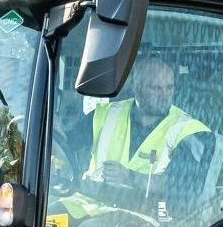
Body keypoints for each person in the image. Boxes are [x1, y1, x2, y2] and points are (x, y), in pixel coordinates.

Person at [83, 54, 210, 208]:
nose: (165, 96)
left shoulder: (187, 130)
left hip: (149, 220)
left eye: (169, 88)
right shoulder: (107, 114)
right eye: (156, 88)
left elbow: (181, 184)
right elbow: (64, 140)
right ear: (136, 89)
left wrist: (128, 177)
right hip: (93, 205)